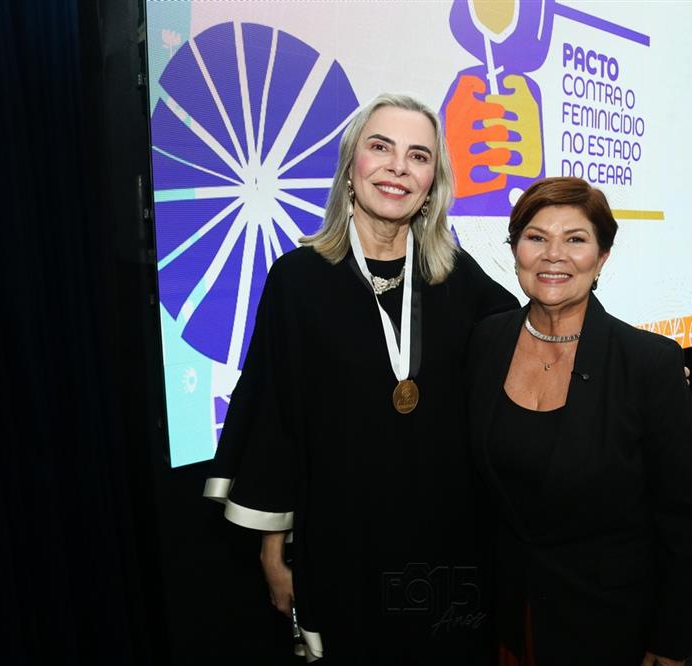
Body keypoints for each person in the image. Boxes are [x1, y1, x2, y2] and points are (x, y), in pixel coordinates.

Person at [203, 93, 518, 664]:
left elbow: (532, 337)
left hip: (448, 540)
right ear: (351, 167)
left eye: (418, 155)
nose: (399, 167)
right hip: (345, 540)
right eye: (381, 147)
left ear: (433, 183)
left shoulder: (455, 275)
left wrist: (638, 364)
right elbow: (277, 422)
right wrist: (275, 552)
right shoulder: (298, 280)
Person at [466, 177, 692, 666]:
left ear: (602, 258)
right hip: (504, 608)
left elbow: (678, 517)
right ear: (515, 250)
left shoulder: (649, 362)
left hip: (605, 620)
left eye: (575, 239)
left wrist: (670, 638)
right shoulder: (487, 340)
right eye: (536, 237)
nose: (554, 255)